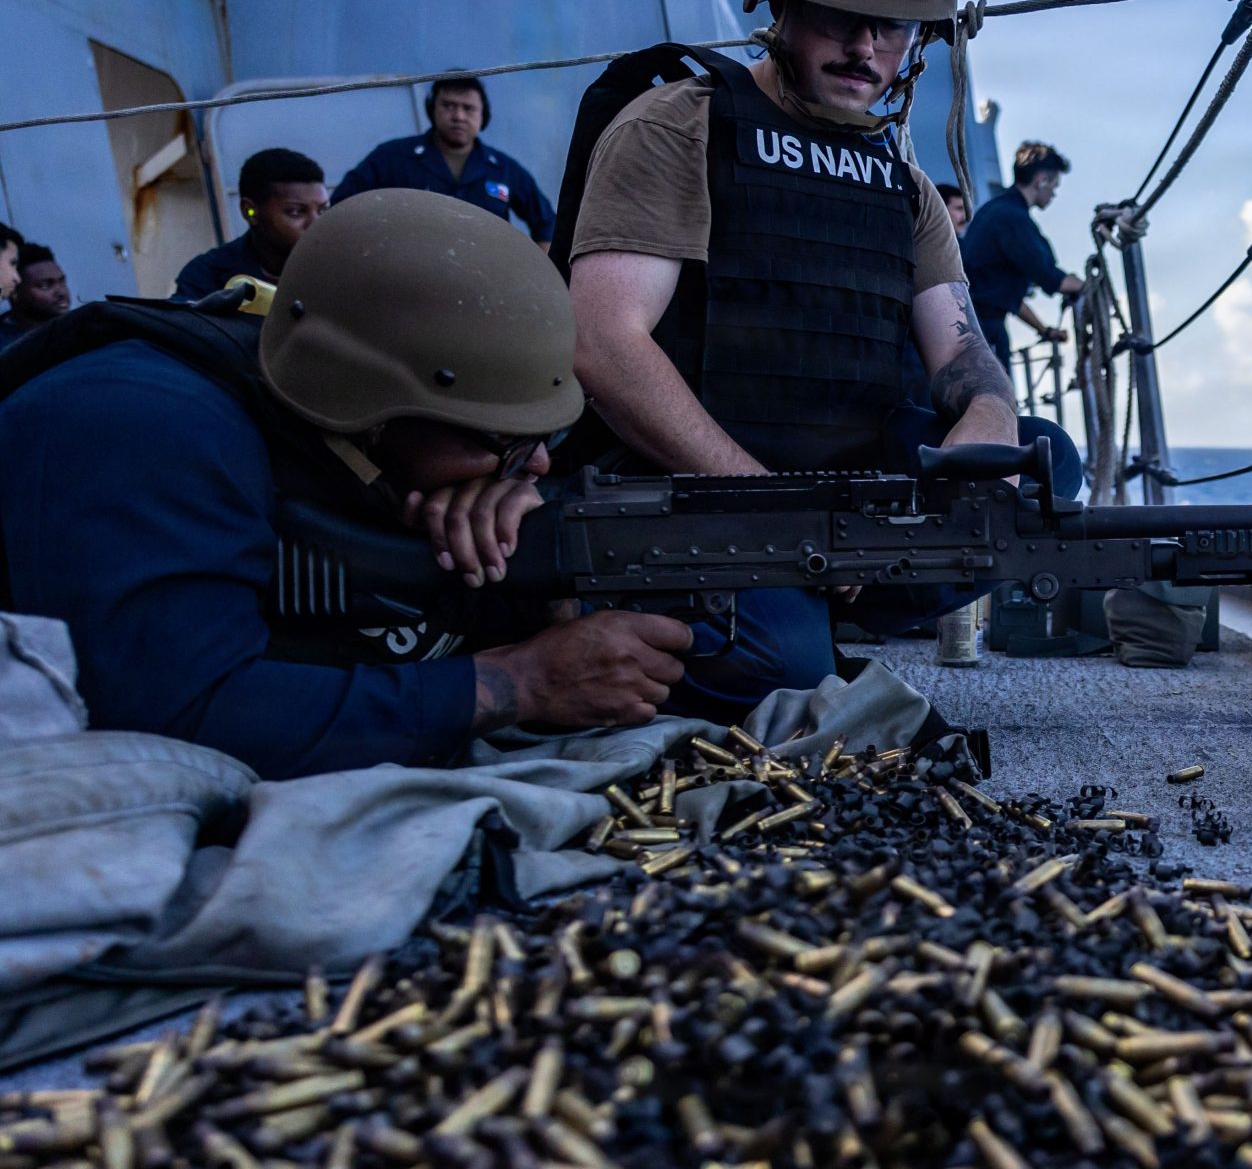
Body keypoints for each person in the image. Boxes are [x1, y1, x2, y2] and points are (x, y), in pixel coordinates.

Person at [0, 190, 751, 781]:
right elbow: (177, 718)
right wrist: (517, 682)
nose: (539, 464)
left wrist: (518, 553)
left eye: (539, 440)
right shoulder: (138, 427)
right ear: (367, 409)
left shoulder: (337, 431)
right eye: (503, 439)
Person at [551, 0, 1083, 652]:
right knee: (787, 666)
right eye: (839, 15)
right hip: (691, 486)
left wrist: (987, 417)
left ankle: (825, 596)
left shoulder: (902, 184)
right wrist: (774, 509)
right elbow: (603, 343)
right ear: (783, 6)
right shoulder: (679, 127)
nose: (865, 46)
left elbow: (964, 355)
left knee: (1044, 461)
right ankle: (758, 612)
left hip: (837, 483)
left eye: (892, 26)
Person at [334, 75, 556, 248]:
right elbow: (342, 205)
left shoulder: (503, 168)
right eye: (449, 105)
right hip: (408, 280)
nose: (458, 116)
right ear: (432, 109)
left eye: (468, 108)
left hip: (485, 283)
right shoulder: (394, 157)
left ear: (483, 115)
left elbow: (548, 224)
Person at [961, 141, 1082, 366]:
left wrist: (1043, 330)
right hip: (983, 331)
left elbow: (1002, 295)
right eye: (1054, 186)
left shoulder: (997, 210)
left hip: (978, 324)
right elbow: (1049, 276)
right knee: (994, 397)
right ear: (1041, 180)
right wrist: (1086, 287)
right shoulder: (1011, 218)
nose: (1053, 194)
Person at [172, 148, 331, 301]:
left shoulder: (342, 266)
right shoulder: (207, 277)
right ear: (250, 211)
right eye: (296, 212)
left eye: (323, 210)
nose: (316, 223)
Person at [0, 244, 69, 344]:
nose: (61, 293)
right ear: (13, 292)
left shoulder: (81, 329)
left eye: (62, 281)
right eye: (45, 285)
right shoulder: (4, 345)